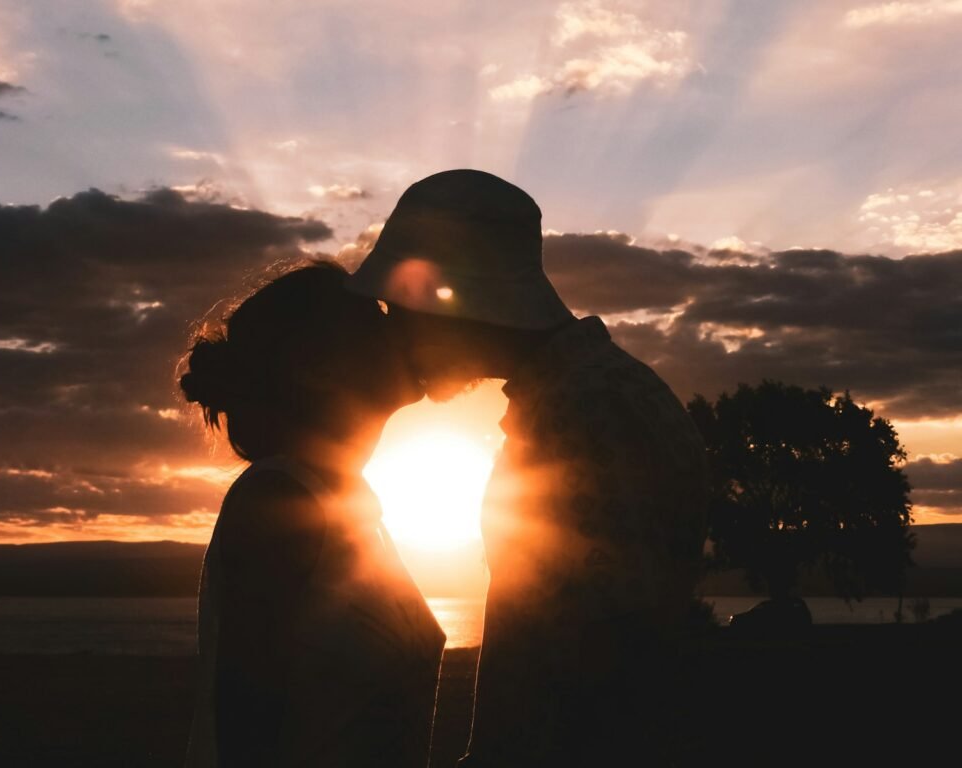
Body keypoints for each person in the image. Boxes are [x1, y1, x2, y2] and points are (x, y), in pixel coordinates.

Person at [347, 170, 709, 766]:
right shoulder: (583, 398)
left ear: (452, 299)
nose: (394, 331)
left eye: (399, 304)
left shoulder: (587, 411)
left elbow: (599, 671)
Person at [180, 262, 446, 767]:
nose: (398, 323)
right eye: (375, 316)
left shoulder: (354, 512)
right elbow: (247, 729)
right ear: (317, 367)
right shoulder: (280, 503)